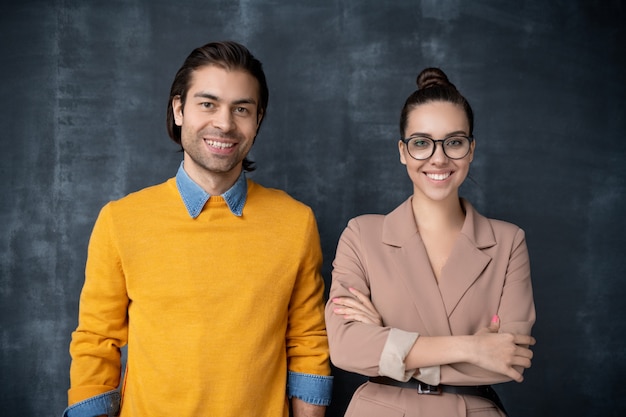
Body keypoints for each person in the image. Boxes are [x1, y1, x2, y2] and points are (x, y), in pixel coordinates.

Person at [64, 41, 332, 417]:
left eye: (242, 109)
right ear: (178, 109)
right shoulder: (120, 220)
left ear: (258, 121)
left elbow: (307, 342)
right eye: (208, 104)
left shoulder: (295, 222)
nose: (224, 123)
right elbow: (96, 342)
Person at [325, 68, 536, 417]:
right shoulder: (362, 235)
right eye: (421, 143)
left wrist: (386, 341)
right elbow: (346, 349)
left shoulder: (508, 241)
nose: (438, 158)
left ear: (471, 149)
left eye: (453, 142)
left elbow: (506, 361)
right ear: (403, 152)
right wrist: (472, 347)